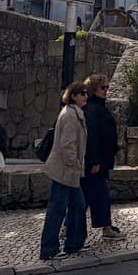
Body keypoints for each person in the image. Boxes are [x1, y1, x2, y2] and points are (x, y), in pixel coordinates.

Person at [39, 82, 89, 260]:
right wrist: (74, 163)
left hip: (70, 170)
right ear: (73, 95)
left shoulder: (75, 114)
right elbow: (67, 145)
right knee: (58, 209)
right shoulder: (69, 115)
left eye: (86, 93)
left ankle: (74, 243)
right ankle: (49, 248)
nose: (85, 96)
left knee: (78, 206)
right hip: (64, 170)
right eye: (82, 93)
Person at [81, 74, 123, 240]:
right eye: (103, 88)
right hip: (97, 161)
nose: (106, 90)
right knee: (98, 194)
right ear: (93, 90)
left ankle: (104, 227)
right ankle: (105, 228)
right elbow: (92, 137)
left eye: (107, 87)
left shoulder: (97, 107)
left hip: (102, 159)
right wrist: (95, 160)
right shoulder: (92, 109)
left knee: (90, 195)